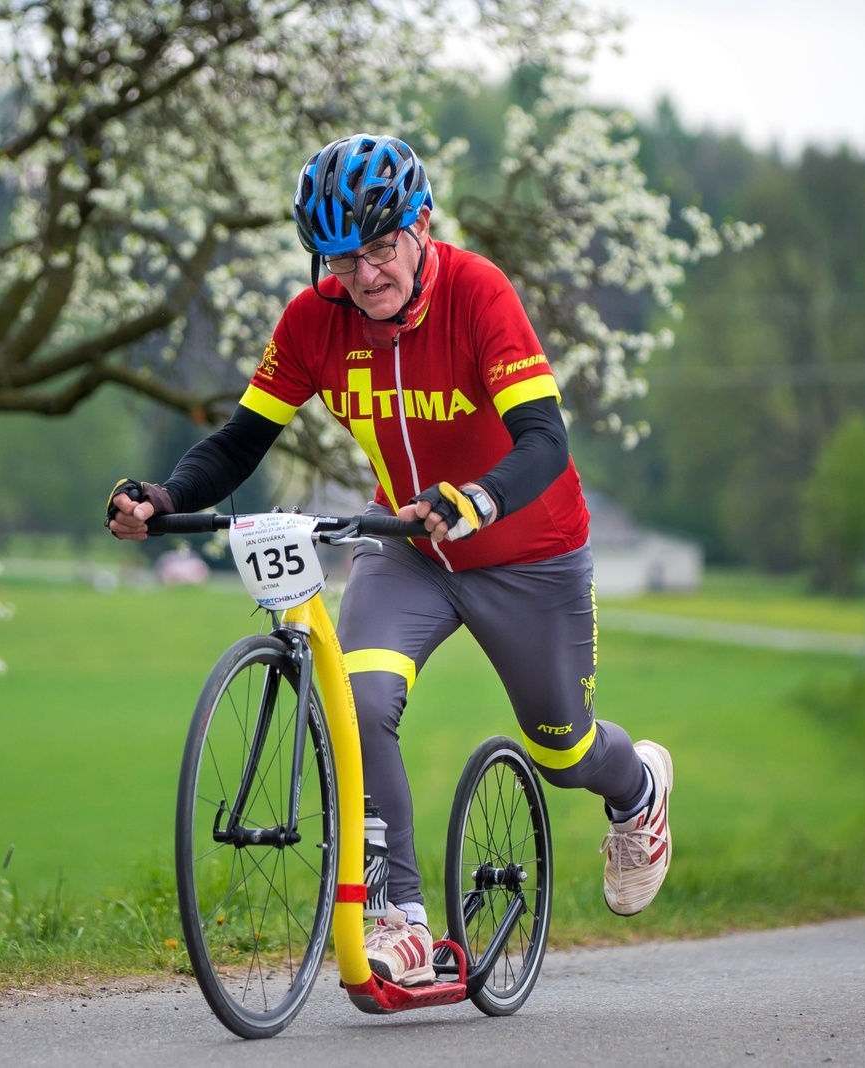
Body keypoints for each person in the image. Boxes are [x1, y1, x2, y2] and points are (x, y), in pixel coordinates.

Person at [106, 133, 673, 985]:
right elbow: (241, 440)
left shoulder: (478, 293)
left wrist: (478, 498)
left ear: (421, 226)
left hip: (529, 549)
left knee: (563, 751)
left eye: (379, 248)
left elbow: (544, 440)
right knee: (360, 698)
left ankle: (639, 793)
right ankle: (400, 919)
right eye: (340, 259)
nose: (364, 275)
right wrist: (165, 496)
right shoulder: (313, 321)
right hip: (409, 545)